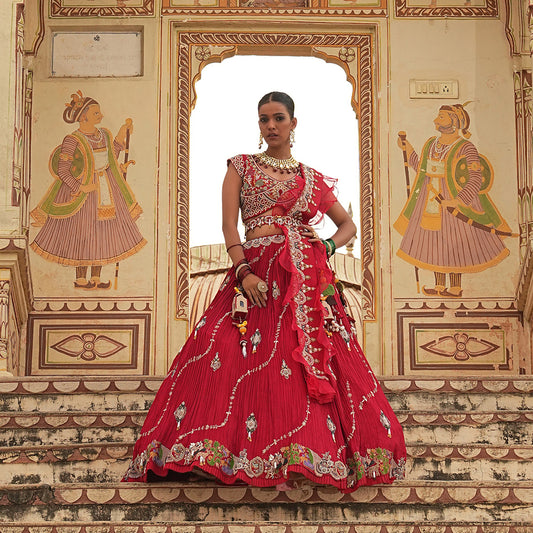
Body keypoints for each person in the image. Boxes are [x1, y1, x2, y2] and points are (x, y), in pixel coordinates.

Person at [123, 92, 406, 492]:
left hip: (304, 279)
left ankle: (300, 453)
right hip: (256, 274)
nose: (270, 126)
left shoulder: (310, 179)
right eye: (263, 119)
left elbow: (347, 226)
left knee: (301, 361)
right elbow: (229, 227)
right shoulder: (241, 166)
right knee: (224, 349)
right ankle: (209, 451)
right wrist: (243, 272)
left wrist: (324, 246)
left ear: (293, 123)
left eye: (278, 118)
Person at [30, 91, 146, 289]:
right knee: (83, 232)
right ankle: (81, 278)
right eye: (95, 113)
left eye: (99, 112)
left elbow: (112, 155)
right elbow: (63, 170)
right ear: (83, 116)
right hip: (82, 194)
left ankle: (96, 278)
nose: (100, 116)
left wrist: (122, 133)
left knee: (102, 232)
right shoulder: (72, 140)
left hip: (106, 189)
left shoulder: (104, 135)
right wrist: (80, 186)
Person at [394, 103, 511, 297]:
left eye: (441, 117)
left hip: (454, 201)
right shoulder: (431, 143)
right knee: (434, 241)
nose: (436, 121)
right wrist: (408, 150)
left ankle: (455, 287)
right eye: (438, 117)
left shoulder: (466, 147)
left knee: (455, 242)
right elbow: (422, 167)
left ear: (455, 121)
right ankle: (439, 285)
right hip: (430, 199)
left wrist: (459, 200)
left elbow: (475, 177)